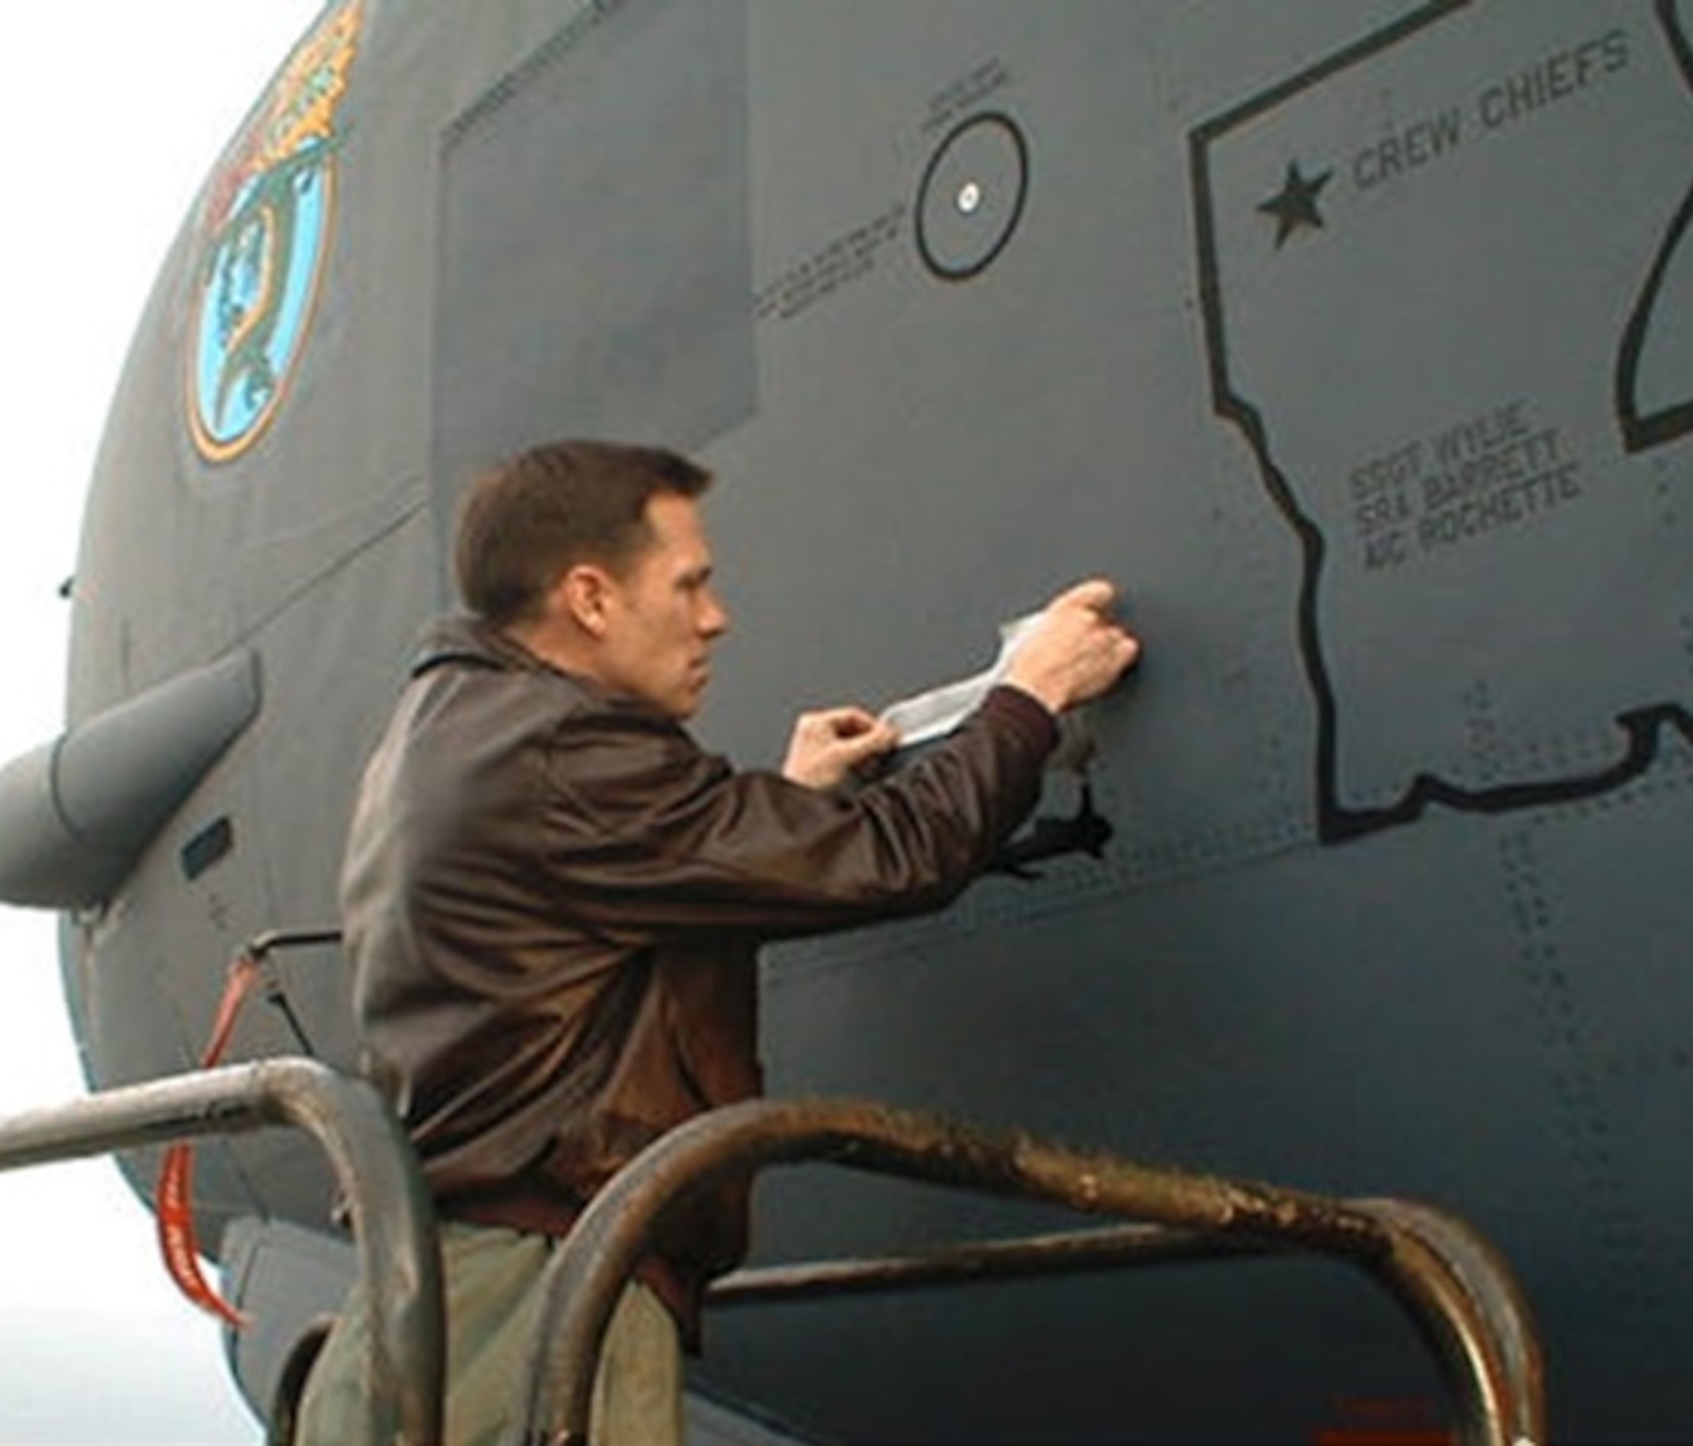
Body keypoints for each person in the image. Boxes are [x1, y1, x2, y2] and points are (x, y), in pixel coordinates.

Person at [294, 439, 1139, 1444]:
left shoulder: (452, 729)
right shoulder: (564, 750)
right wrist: (1028, 697)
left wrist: (786, 807)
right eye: (688, 583)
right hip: (538, 1313)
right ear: (591, 598)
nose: (714, 617)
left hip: (449, 1307)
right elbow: (897, 855)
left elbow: (602, 911)